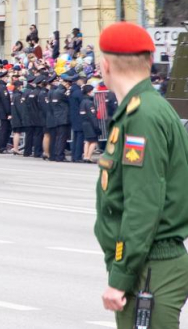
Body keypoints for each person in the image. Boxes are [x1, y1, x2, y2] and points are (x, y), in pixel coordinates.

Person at [94, 21, 188, 329]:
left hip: (150, 267)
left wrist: (120, 278)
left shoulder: (141, 117)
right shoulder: (148, 108)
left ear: (105, 66)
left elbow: (143, 204)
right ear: (149, 61)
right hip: (151, 263)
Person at [49, 74, 71, 161]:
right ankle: (60, 155)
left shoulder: (55, 91)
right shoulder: (62, 92)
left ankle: (57, 154)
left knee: (58, 137)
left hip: (57, 117)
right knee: (62, 138)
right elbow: (68, 101)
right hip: (63, 118)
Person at [24, 74, 45, 158]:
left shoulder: (32, 92)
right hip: (38, 116)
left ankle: (27, 151)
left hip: (31, 115)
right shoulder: (40, 93)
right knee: (38, 135)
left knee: (29, 135)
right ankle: (37, 151)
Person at [68, 72, 85, 162]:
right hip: (79, 116)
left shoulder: (72, 91)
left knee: (75, 136)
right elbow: (82, 102)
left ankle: (74, 155)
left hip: (73, 116)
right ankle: (77, 156)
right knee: (79, 136)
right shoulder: (78, 92)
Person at [0, 70, 12, 153]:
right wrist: (8, 112)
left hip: (2, 112)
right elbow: (5, 101)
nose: (8, 79)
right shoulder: (2, 88)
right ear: (3, 78)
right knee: (4, 130)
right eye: (7, 77)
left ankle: (3, 146)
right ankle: (2, 147)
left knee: (4, 129)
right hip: (4, 112)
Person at [80, 84, 99, 163]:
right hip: (90, 124)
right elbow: (92, 116)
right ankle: (89, 156)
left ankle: (85, 156)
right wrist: (96, 126)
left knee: (87, 140)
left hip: (84, 123)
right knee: (93, 141)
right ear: (89, 92)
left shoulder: (82, 101)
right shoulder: (89, 102)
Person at [38, 75, 53, 160]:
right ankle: (46, 152)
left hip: (45, 117)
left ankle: (46, 152)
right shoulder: (44, 94)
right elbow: (45, 107)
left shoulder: (44, 93)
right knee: (47, 135)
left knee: (47, 135)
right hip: (45, 117)